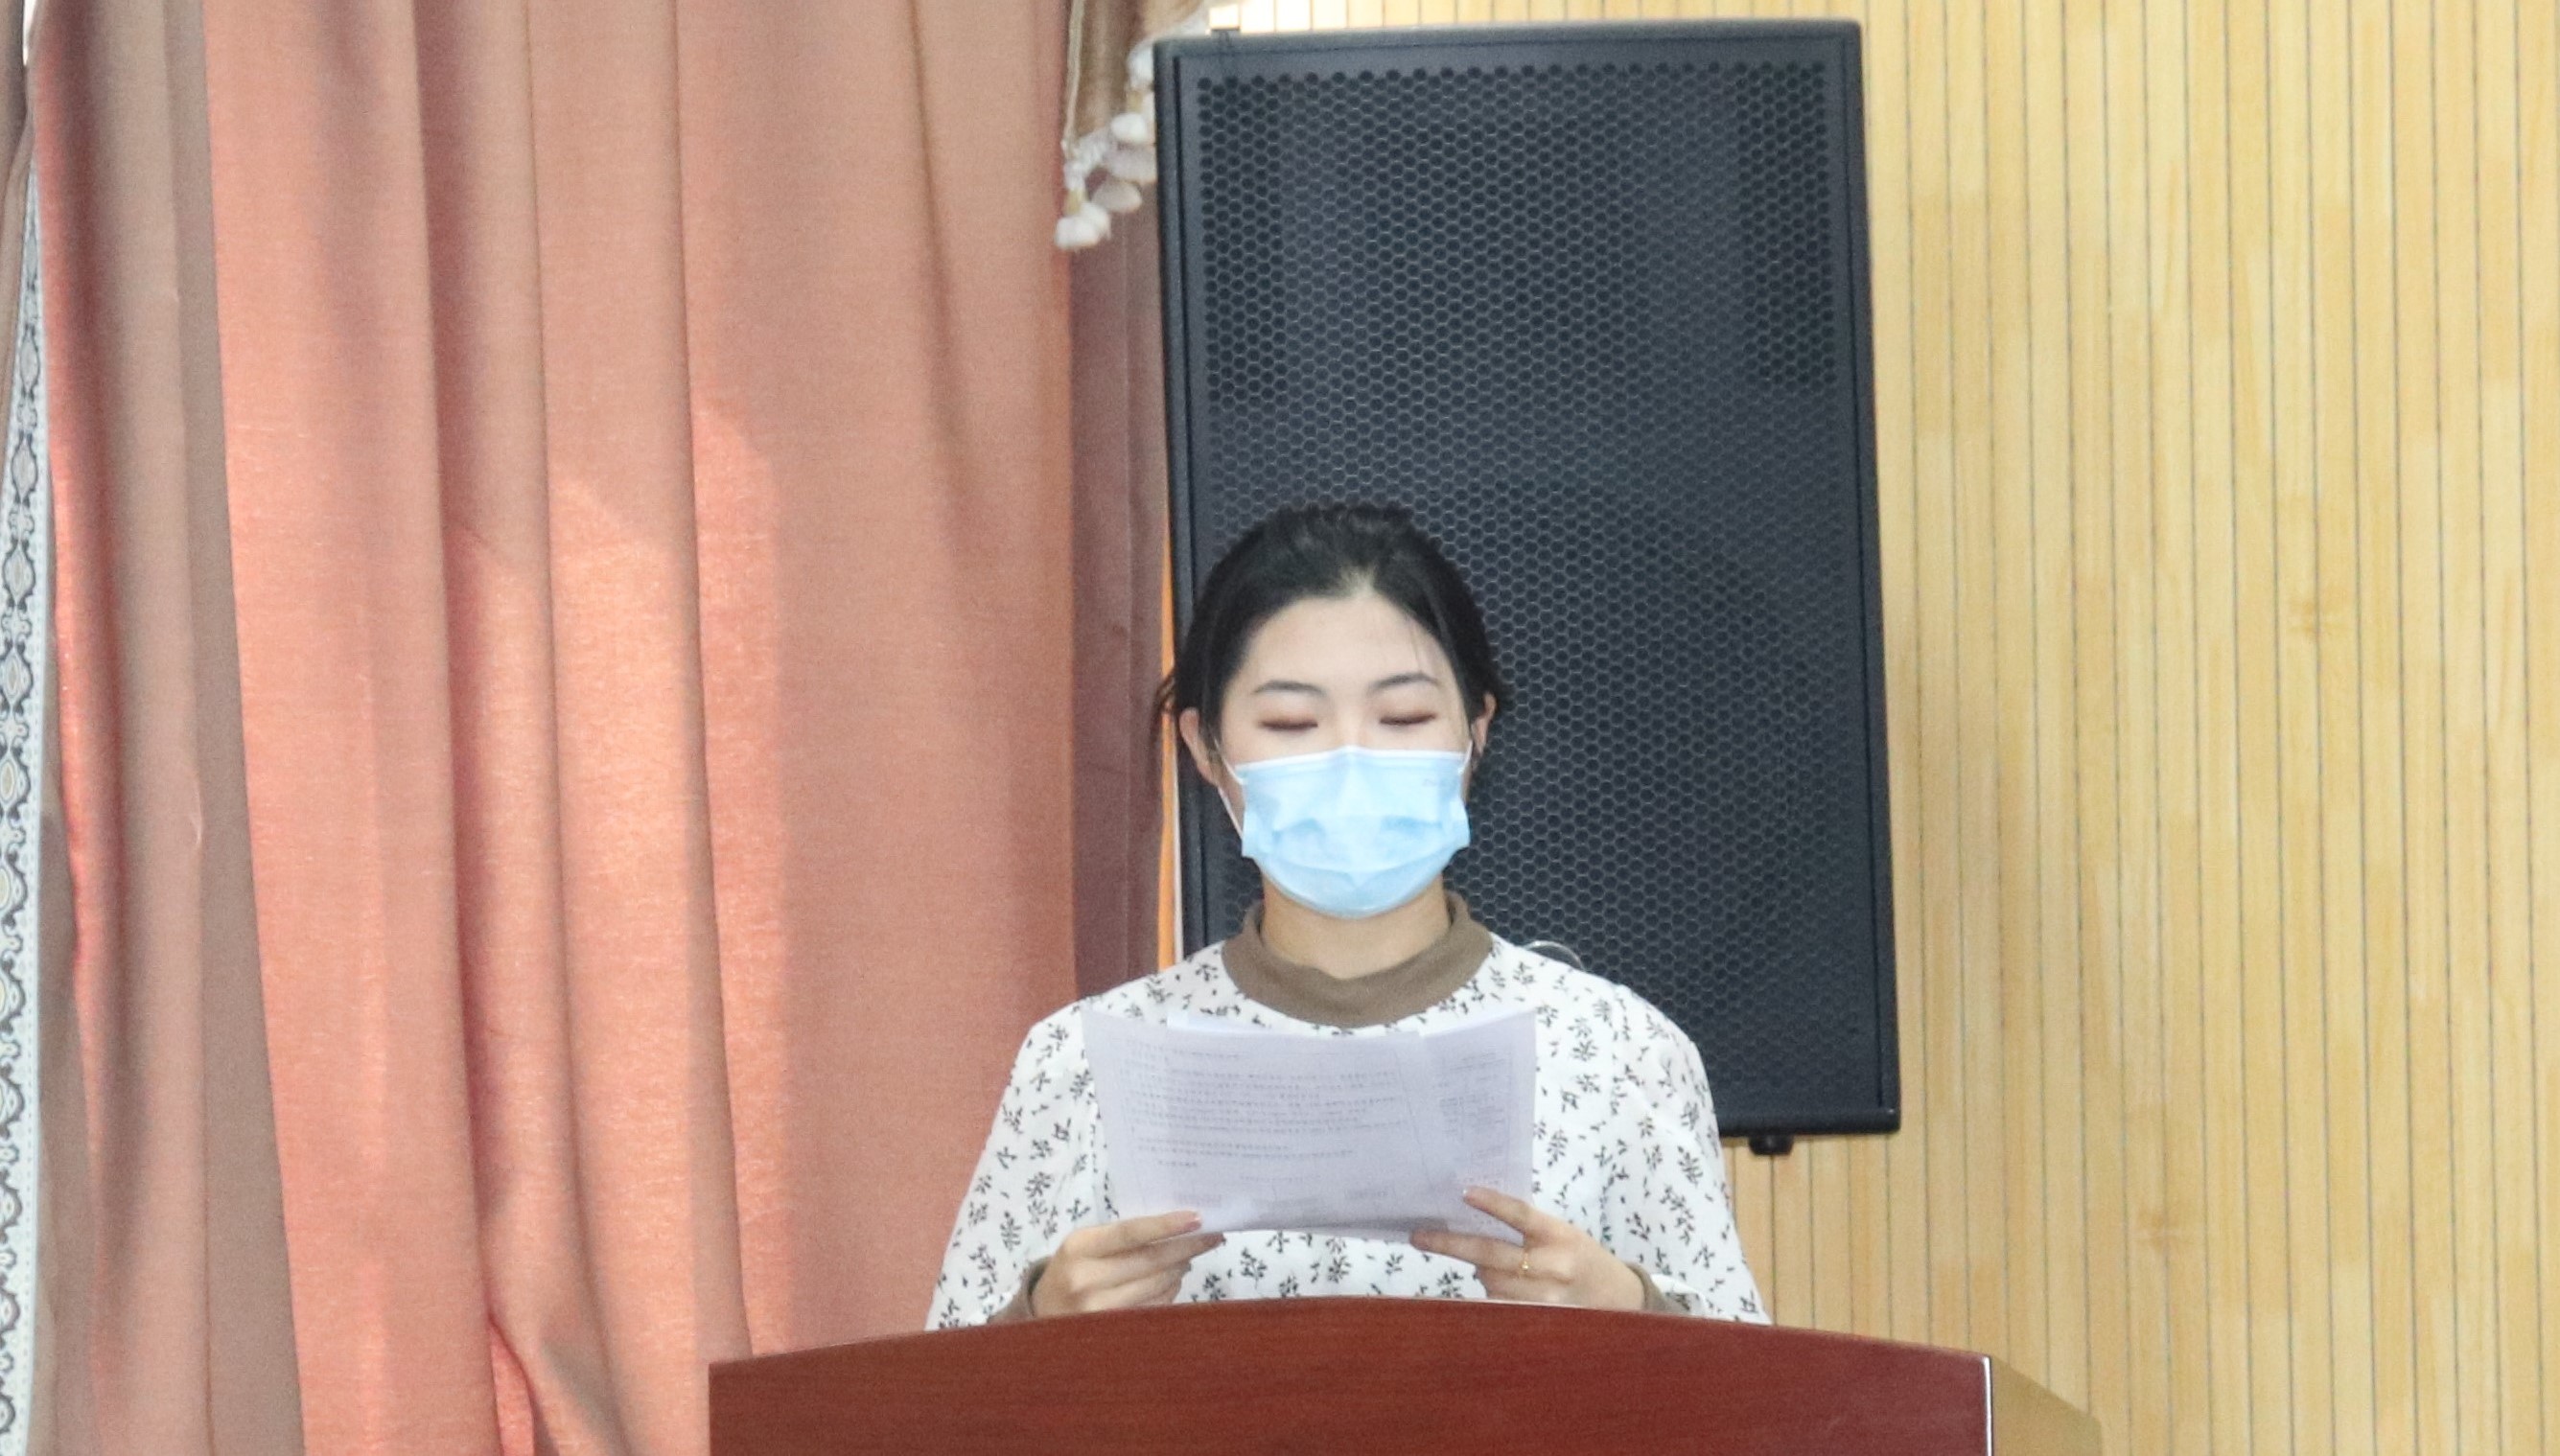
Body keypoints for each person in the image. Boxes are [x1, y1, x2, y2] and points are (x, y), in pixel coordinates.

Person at [927, 503, 1766, 1327]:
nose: (1351, 763)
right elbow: (930, 1393)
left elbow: (1758, 1392)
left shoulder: (1620, 1054)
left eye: (1404, 717)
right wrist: (1038, 1319)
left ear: (1477, 731)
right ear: (1205, 746)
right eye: (1291, 722)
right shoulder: (1078, 1063)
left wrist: (1633, 1311)